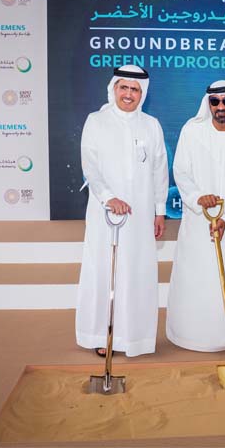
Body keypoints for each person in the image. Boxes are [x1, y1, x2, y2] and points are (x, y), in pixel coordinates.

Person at [76, 65, 168, 357]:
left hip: (141, 214)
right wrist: (109, 197)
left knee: (137, 271)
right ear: (114, 89)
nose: (129, 94)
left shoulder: (151, 125)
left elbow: (159, 170)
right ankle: (101, 335)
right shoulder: (96, 121)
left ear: (143, 93)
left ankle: (135, 338)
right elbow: (90, 167)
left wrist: (160, 210)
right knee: (105, 270)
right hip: (105, 213)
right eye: (124, 87)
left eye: (135, 89)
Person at [166, 80, 225, 353]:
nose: (221, 106)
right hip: (199, 220)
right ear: (208, 104)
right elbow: (181, 171)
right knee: (197, 276)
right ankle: (191, 333)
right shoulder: (192, 130)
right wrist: (199, 197)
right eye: (215, 101)